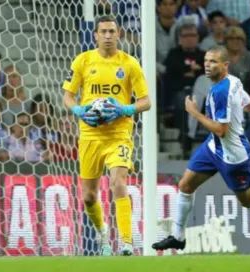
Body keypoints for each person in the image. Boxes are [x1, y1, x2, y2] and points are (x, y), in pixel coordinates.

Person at [151, 45, 250, 254]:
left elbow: (221, 130)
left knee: (249, 201)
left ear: (225, 65)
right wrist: (238, 110)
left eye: (213, 62)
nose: (207, 66)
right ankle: (178, 237)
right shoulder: (234, 81)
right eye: (206, 61)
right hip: (213, 148)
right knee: (185, 185)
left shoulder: (221, 91)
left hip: (232, 156)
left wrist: (194, 112)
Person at [62, 15, 151, 256]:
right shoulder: (83, 60)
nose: (108, 36)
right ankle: (103, 236)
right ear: (95, 35)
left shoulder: (130, 64)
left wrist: (125, 109)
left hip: (119, 134)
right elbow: (68, 96)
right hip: (90, 135)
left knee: (118, 182)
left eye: (112, 31)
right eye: (104, 31)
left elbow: (146, 102)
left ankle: (126, 241)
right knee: (89, 196)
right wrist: (78, 109)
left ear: (119, 34)